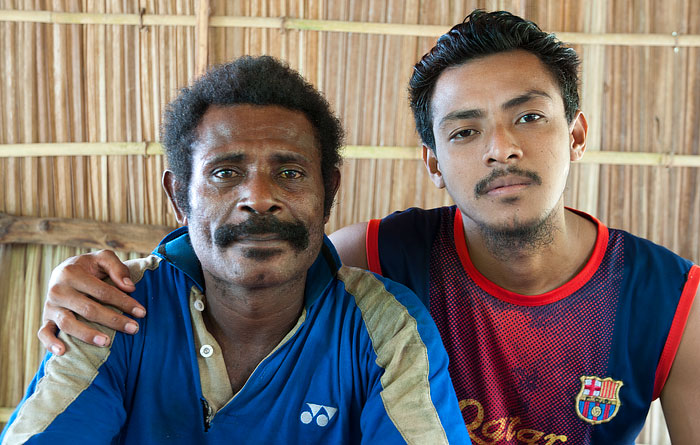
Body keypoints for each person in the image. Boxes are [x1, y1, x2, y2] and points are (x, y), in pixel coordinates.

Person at [31, 9, 700, 445]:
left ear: (577, 132)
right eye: (466, 130)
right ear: (433, 162)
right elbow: (232, 258)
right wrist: (92, 277)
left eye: (528, 117)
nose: (500, 148)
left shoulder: (671, 300)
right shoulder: (377, 257)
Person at [1, 56, 470, 444]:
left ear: (328, 193)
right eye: (225, 173)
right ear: (178, 197)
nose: (258, 197)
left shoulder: (386, 327)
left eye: (290, 172)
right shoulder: (112, 308)